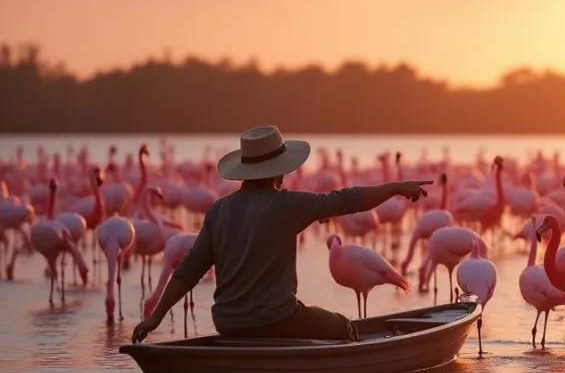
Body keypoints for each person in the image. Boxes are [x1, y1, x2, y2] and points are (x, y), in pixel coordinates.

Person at [131, 126, 431, 344]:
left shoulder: (218, 210)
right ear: (280, 172)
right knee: (344, 327)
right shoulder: (287, 204)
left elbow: (189, 271)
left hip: (227, 324)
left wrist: (156, 317)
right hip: (278, 319)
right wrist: (395, 187)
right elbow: (348, 199)